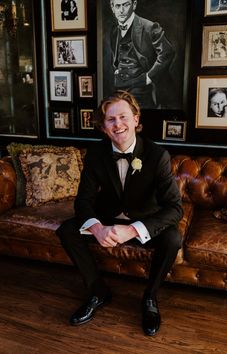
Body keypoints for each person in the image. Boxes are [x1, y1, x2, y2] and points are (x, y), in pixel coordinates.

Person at [56, 90, 183, 336]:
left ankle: (149, 298)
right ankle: (98, 291)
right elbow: (83, 200)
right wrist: (97, 228)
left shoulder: (158, 156)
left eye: (123, 117)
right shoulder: (95, 154)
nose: (118, 124)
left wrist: (133, 229)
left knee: (172, 239)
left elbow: (175, 208)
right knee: (67, 231)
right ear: (103, 127)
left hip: (144, 220)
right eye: (111, 120)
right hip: (108, 219)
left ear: (136, 119)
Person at [108, 0, 175, 109]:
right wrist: (117, 69)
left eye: (126, 5)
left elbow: (167, 53)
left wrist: (149, 77)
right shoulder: (114, 30)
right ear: (112, 7)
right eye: (118, 6)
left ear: (134, 5)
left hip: (141, 88)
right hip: (119, 87)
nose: (121, 10)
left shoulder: (149, 27)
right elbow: (116, 56)